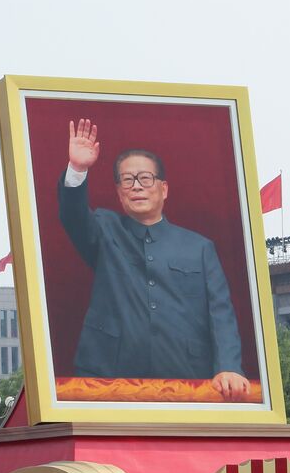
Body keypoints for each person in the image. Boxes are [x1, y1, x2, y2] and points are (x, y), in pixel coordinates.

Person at [58, 119, 248, 400]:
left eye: (145, 179)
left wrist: (229, 367)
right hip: (108, 377)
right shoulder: (104, 229)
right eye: (127, 180)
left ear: (164, 189)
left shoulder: (199, 247)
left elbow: (221, 314)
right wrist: (78, 169)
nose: (137, 187)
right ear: (119, 192)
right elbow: (73, 216)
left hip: (186, 378)